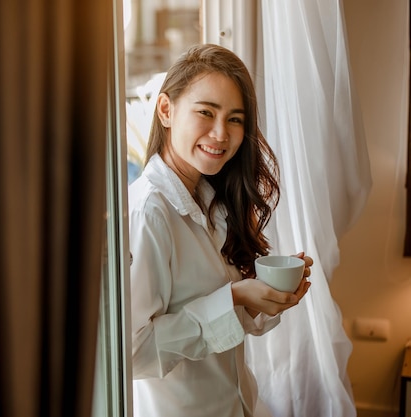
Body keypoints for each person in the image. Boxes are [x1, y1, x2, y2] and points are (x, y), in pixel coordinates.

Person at [128, 43, 314, 417]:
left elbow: (221, 326)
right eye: (205, 112)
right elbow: (133, 354)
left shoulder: (213, 201)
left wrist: (262, 296)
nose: (220, 133)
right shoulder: (150, 212)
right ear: (166, 110)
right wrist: (233, 298)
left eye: (234, 119)